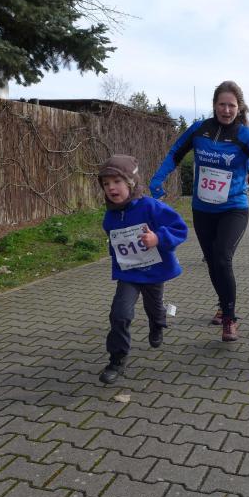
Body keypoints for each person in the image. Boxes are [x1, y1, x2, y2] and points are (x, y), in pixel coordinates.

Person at [149, 80, 249, 342]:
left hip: (233, 208)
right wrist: (158, 179)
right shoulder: (199, 129)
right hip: (202, 209)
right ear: (214, 105)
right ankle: (223, 303)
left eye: (231, 106)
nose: (226, 110)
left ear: (239, 108)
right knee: (213, 262)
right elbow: (175, 154)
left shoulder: (244, 136)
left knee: (222, 258)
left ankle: (229, 318)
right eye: (222, 105)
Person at [98, 155, 188, 384]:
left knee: (154, 307)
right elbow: (116, 242)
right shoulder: (110, 217)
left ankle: (157, 325)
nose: (111, 188)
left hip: (154, 271)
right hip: (129, 274)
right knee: (119, 314)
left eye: (117, 181)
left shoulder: (151, 206)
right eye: (106, 184)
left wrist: (158, 238)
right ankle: (117, 360)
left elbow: (180, 228)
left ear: (130, 182)